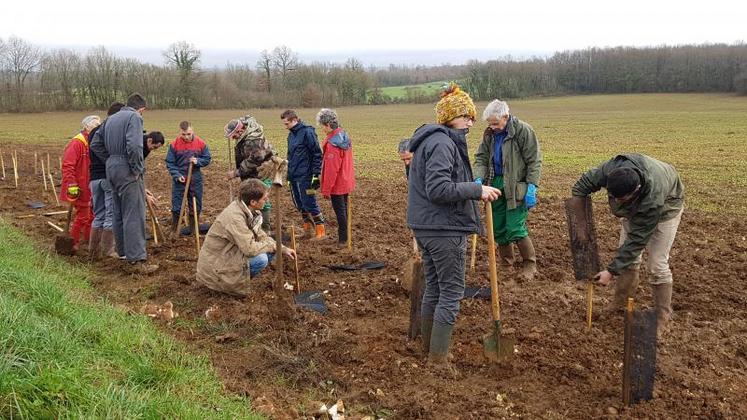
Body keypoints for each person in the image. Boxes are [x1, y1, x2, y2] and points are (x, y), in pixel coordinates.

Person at [407, 83, 501, 373]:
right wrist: (476, 189)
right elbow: (438, 189)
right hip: (443, 228)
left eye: (473, 117)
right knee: (451, 291)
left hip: (427, 226)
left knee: (435, 287)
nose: (472, 122)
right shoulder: (443, 143)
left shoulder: (431, 140)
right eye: (467, 117)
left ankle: (428, 349)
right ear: (451, 117)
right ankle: (438, 360)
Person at [571, 153, 684, 337]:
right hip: (638, 204)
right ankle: (620, 302)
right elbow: (580, 187)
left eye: (620, 200)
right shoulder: (610, 171)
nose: (616, 202)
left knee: (657, 265)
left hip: (667, 207)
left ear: (636, 191)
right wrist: (581, 226)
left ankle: (662, 316)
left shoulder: (652, 198)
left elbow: (637, 241)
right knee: (628, 260)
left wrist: (611, 271)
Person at [474, 99, 542, 282]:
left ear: (506, 116)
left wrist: (531, 187)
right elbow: (481, 157)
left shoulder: (523, 131)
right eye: (490, 123)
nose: (493, 127)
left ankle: (530, 264)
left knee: (515, 227)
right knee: (499, 227)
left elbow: (534, 161)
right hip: (494, 183)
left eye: (495, 123)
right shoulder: (490, 134)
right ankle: (506, 264)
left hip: (516, 185)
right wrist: (478, 178)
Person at [196, 178, 297, 296]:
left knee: (271, 249)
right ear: (253, 202)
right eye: (264, 199)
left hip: (229, 253)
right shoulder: (235, 217)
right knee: (261, 259)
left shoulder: (248, 210)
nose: (267, 201)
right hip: (216, 267)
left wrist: (282, 248)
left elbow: (261, 236)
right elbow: (250, 249)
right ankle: (229, 285)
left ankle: (239, 278)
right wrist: (273, 246)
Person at [102, 93, 158, 274]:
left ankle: (124, 253)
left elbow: (95, 143)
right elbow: (134, 146)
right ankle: (138, 260)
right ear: (141, 109)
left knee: (118, 212)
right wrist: (136, 169)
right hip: (127, 169)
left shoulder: (111, 118)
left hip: (112, 168)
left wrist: (111, 161)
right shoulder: (134, 117)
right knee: (134, 214)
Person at [224, 115, 276, 231]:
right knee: (251, 200)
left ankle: (264, 230)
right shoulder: (245, 129)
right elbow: (246, 117)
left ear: (241, 130)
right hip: (253, 172)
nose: (234, 138)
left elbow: (254, 160)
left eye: (235, 135)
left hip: (261, 172)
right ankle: (252, 226)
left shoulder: (253, 141)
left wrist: (236, 173)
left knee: (261, 199)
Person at [281, 109, 326, 239]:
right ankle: (308, 230)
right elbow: (290, 156)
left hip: (307, 175)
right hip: (294, 175)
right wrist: (289, 176)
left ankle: (320, 231)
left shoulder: (307, 132)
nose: (285, 127)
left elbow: (317, 154)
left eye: (287, 124)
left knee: (309, 202)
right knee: (299, 203)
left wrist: (316, 174)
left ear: (294, 120)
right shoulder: (291, 135)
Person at [60, 115, 101, 251]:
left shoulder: (92, 142)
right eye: (96, 126)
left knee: (92, 215)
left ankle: (89, 240)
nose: (98, 129)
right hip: (79, 186)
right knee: (83, 216)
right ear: (87, 127)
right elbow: (67, 165)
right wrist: (72, 184)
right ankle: (73, 243)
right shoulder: (77, 143)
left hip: (90, 185)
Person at [165, 120, 212, 235]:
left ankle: (193, 230)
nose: (186, 137)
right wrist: (177, 175)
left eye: (188, 134)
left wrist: (198, 161)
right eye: (183, 134)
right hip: (180, 179)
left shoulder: (200, 143)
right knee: (177, 205)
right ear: (180, 132)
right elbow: (170, 163)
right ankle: (174, 230)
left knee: (195, 205)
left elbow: (207, 158)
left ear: (192, 131)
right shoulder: (174, 144)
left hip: (195, 178)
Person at [317, 108, 355, 245]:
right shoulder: (344, 136)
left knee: (340, 211)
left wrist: (326, 189)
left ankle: (343, 239)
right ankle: (346, 236)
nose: (322, 129)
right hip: (346, 179)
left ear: (327, 125)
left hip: (337, 184)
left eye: (322, 126)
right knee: (344, 208)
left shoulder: (333, 144)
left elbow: (332, 169)